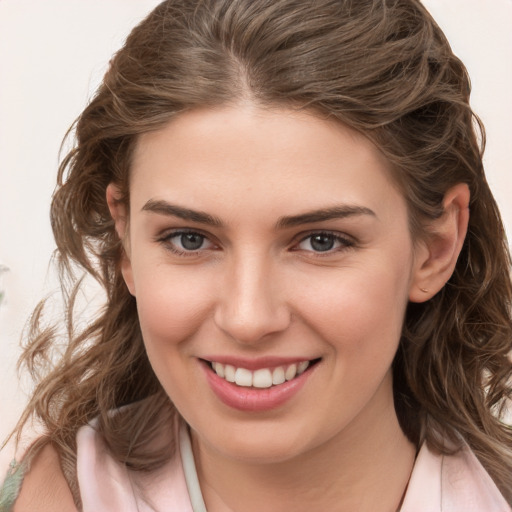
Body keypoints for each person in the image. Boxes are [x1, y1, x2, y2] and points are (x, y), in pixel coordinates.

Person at [1, 0, 511, 510]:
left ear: (435, 249)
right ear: (126, 237)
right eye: (189, 239)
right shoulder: (52, 497)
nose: (248, 319)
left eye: (321, 241)